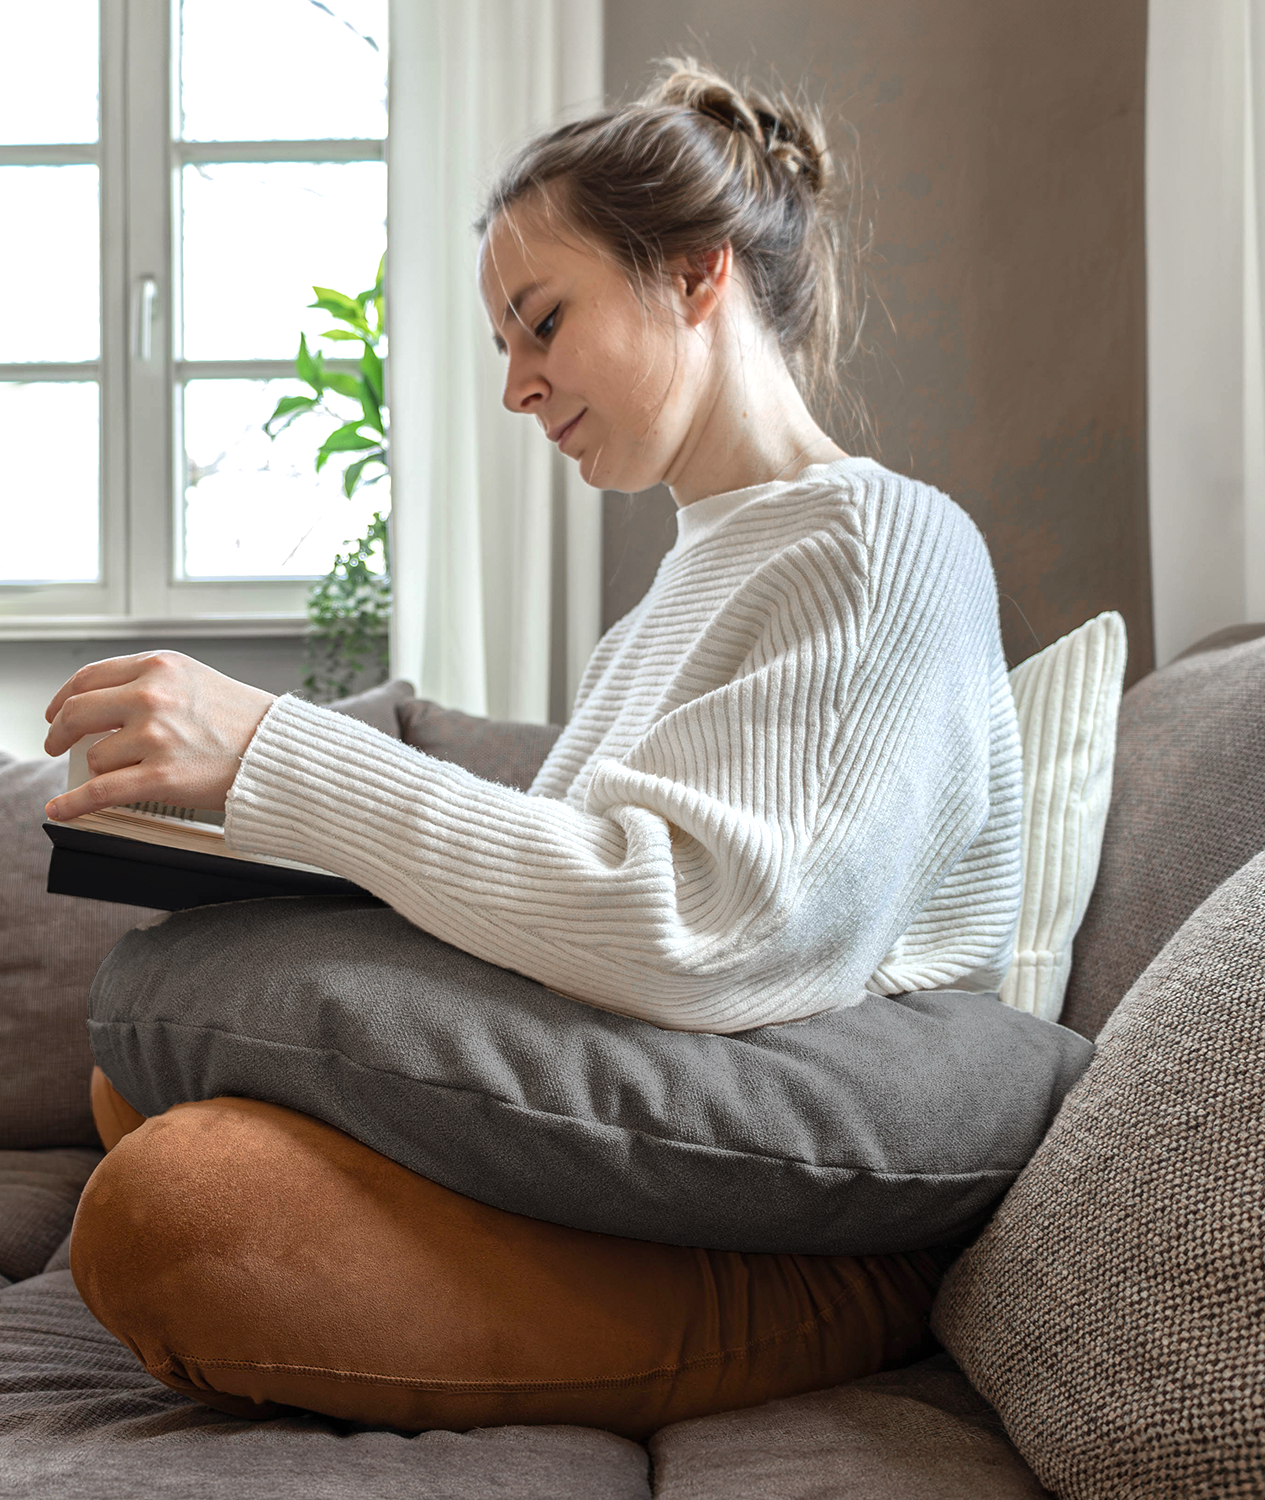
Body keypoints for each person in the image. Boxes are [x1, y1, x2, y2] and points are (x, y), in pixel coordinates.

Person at [50, 60, 1024, 1437]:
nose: (517, 385)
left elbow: (715, 929)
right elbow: (551, 942)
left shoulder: (877, 542)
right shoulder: (657, 619)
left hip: (795, 1215)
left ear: (696, 275)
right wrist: (255, 835)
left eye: (542, 321)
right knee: (141, 1079)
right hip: (635, 1146)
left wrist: (286, 752)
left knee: (175, 1210)